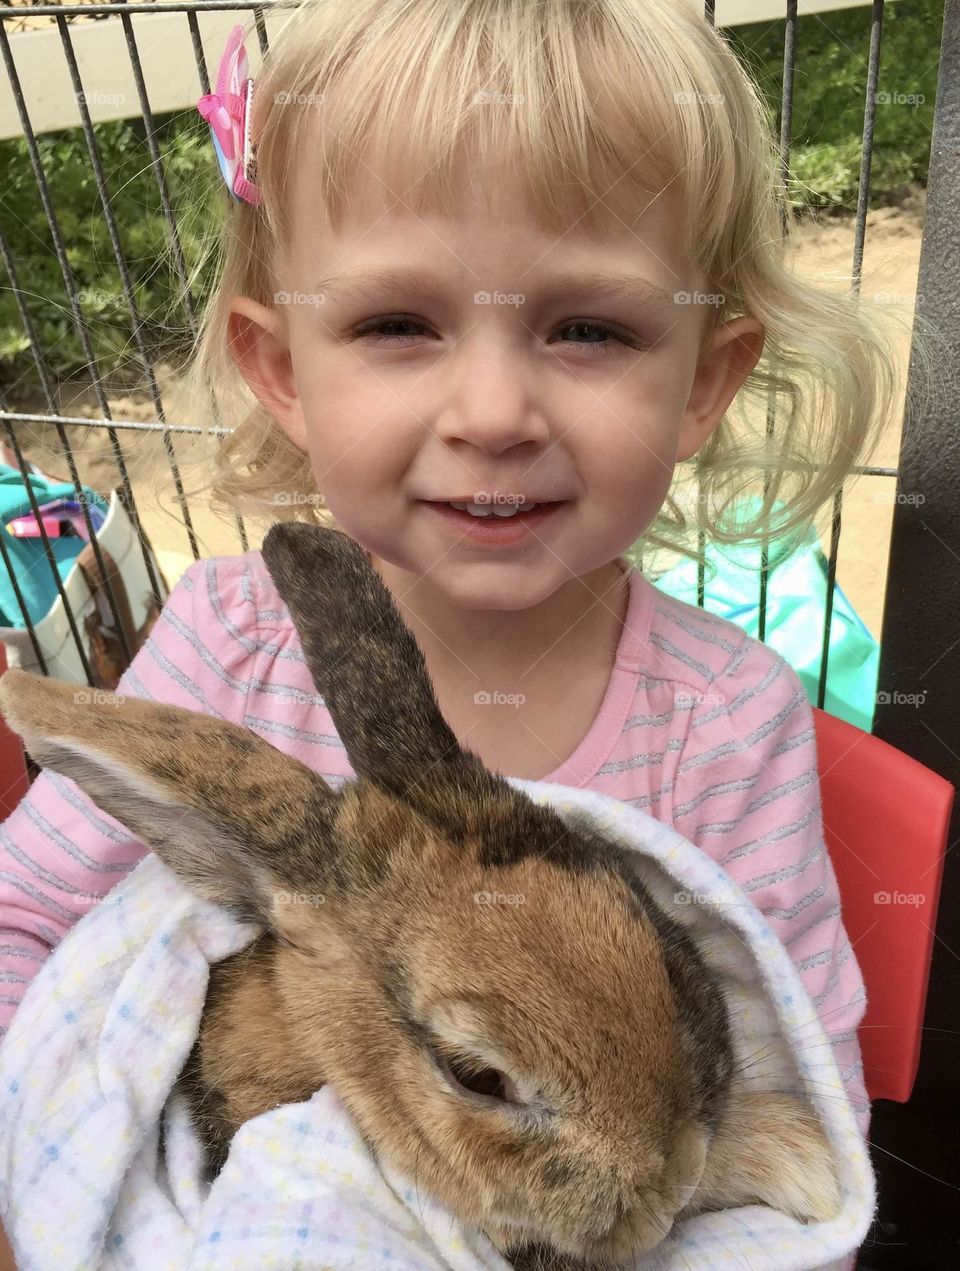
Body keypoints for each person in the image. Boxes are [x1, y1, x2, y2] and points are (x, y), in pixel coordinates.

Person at [1, 1, 908, 1266]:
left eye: (588, 327)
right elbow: (26, 928)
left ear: (704, 376)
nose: (492, 410)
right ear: (282, 367)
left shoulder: (727, 716)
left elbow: (798, 1076)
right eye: (395, 326)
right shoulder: (228, 641)